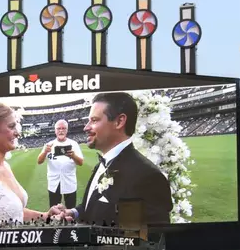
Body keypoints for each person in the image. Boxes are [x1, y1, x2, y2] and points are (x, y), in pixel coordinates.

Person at [58, 92, 173, 225]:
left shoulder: (146, 177)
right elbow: (92, 207)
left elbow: (138, 239)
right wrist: (74, 212)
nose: (86, 127)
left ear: (119, 122)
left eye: (94, 120)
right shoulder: (101, 165)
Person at [0, 103, 62, 224]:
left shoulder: (5, 166)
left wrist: (45, 216)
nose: (17, 133)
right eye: (11, 126)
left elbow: (14, 212)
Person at [37, 119, 84, 209]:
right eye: (59, 128)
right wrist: (44, 152)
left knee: (70, 208)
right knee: (54, 209)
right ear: (55, 130)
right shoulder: (49, 144)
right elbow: (39, 161)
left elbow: (81, 162)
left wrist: (73, 156)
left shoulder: (73, 144)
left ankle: (70, 222)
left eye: (63, 128)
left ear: (67, 130)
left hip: (69, 181)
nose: (61, 130)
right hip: (54, 182)